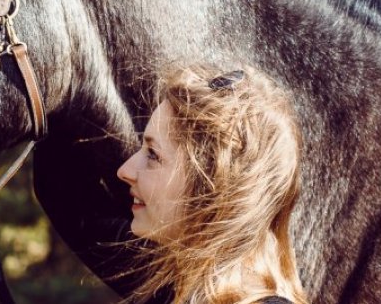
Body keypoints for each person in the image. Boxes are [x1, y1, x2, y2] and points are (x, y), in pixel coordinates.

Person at [34, 64, 308, 304]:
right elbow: (65, 198)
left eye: (153, 155)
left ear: (213, 185)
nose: (124, 170)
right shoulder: (172, 289)